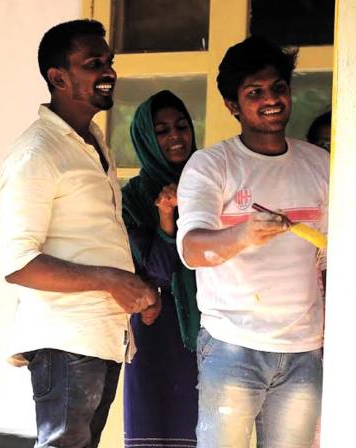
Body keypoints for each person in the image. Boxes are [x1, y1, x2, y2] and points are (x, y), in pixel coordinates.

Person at [0, 19, 159, 448]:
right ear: (58, 78)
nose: (107, 71)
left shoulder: (91, 141)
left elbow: (92, 238)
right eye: (92, 64)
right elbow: (17, 263)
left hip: (100, 335)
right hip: (65, 339)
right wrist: (112, 281)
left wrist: (133, 288)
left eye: (108, 61)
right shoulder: (38, 153)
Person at [177, 36, 329, 448]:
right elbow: (192, 249)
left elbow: (332, 255)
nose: (271, 100)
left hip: (303, 347)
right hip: (231, 343)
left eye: (278, 88)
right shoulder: (212, 165)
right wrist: (243, 234)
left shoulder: (319, 164)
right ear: (232, 105)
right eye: (255, 93)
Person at [121, 90, 200, 447]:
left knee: (203, 427)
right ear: (146, 139)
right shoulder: (134, 197)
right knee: (152, 428)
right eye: (162, 130)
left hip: (210, 320)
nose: (175, 137)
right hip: (157, 323)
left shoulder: (209, 182)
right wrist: (167, 219)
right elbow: (154, 275)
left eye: (181, 126)